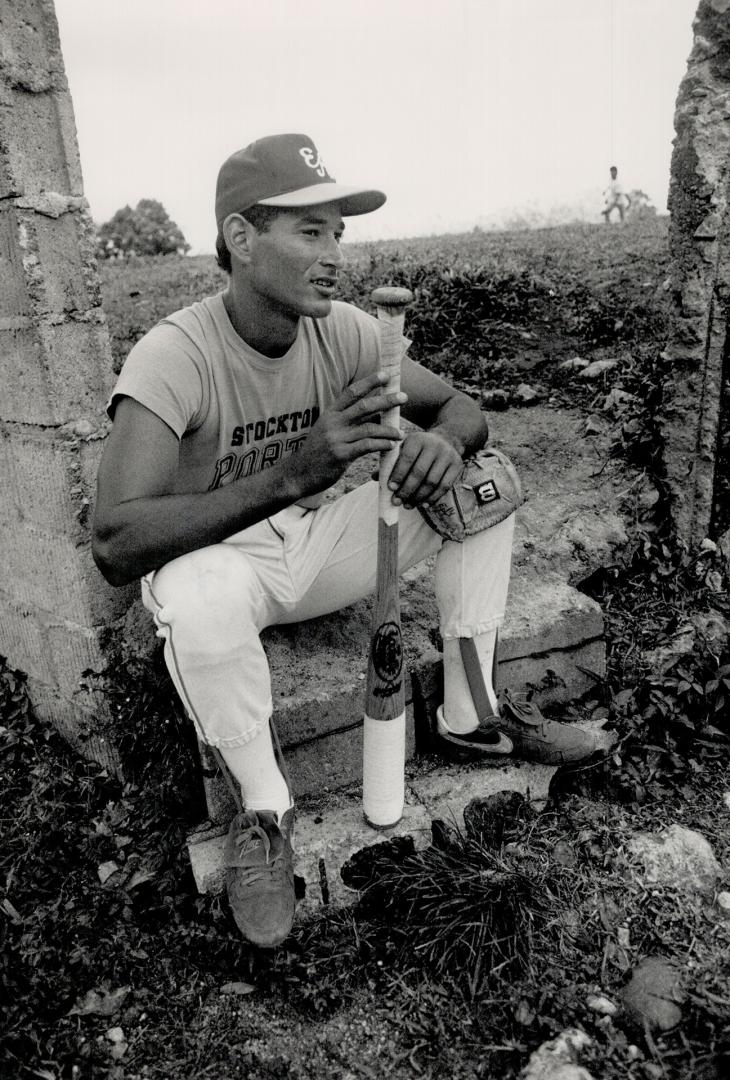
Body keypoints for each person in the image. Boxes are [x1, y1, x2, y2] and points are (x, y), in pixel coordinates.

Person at [92, 133, 598, 948]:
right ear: (240, 238)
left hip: (318, 547)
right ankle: (264, 814)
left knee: (485, 480)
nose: (334, 257)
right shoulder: (175, 353)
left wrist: (447, 443)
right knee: (194, 598)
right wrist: (292, 474)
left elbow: (463, 409)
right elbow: (115, 541)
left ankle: (471, 714)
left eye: (339, 234)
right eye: (310, 233)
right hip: (224, 565)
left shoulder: (347, 330)